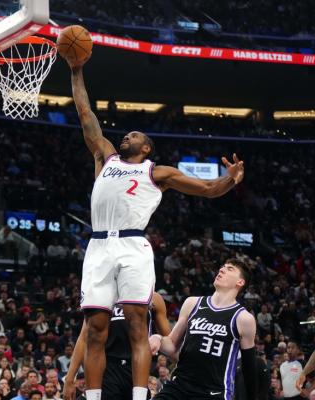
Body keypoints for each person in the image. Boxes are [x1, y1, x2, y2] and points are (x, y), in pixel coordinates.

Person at [67, 57, 245, 400]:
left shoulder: (157, 172)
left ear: (146, 147)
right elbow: (85, 113)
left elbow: (207, 190)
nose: (126, 135)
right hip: (99, 244)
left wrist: (231, 180)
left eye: (134, 134)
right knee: (95, 330)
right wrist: (77, 70)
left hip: (133, 245)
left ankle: (138, 396)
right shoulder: (105, 157)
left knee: (136, 322)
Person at [149, 259, 257, 400]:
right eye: (222, 266)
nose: (222, 269)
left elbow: (249, 369)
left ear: (240, 282)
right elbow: (171, 345)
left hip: (213, 392)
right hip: (179, 386)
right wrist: (157, 338)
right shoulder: (193, 303)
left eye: (230, 269)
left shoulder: (243, 318)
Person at [64, 292, 171, 400]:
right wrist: (69, 379)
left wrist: (158, 337)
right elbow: (84, 338)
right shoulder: (102, 294)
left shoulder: (153, 297)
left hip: (137, 367)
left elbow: (170, 340)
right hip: (107, 368)